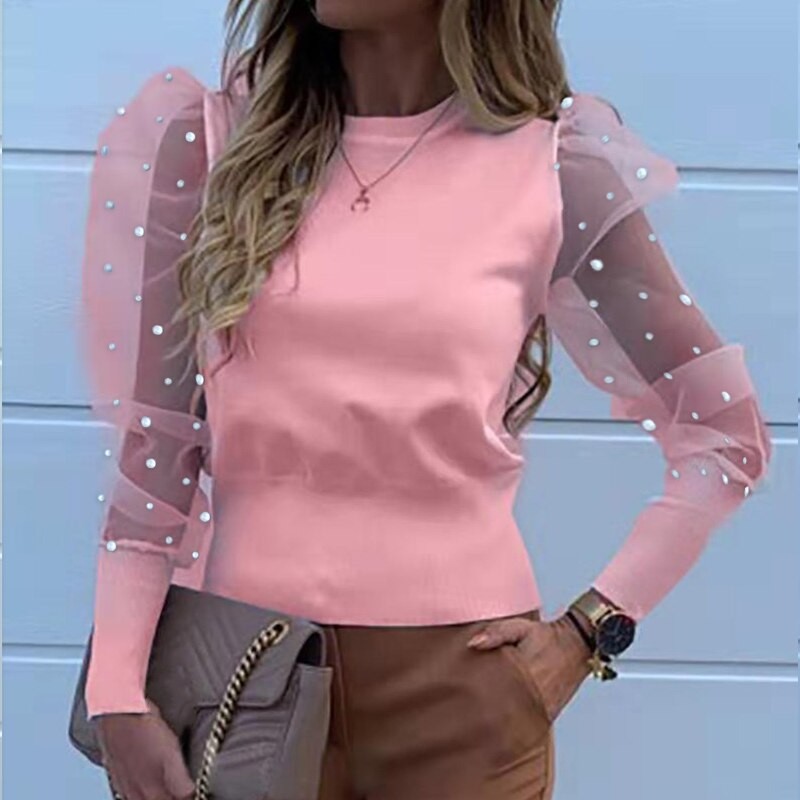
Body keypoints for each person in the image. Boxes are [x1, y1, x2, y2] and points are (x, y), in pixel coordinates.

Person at [77, 1, 772, 798]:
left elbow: (726, 435)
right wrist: (116, 691)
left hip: (463, 697)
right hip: (245, 686)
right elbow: (158, 448)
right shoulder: (215, 143)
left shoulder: (551, 168)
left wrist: (590, 630)